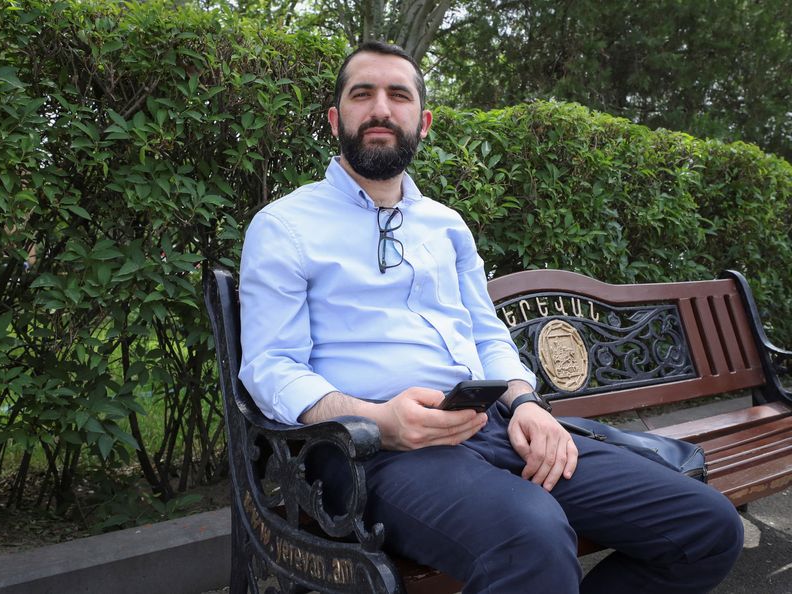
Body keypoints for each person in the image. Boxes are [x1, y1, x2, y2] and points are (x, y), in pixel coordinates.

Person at [238, 41, 743, 593]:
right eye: (363, 94)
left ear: (422, 121)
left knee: (706, 526)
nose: (380, 108)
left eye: (398, 95)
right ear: (336, 119)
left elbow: (486, 331)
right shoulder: (284, 226)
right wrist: (378, 419)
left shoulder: (446, 225)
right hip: (365, 452)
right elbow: (272, 366)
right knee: (532, 539)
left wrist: (526, 402)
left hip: (488, 425)